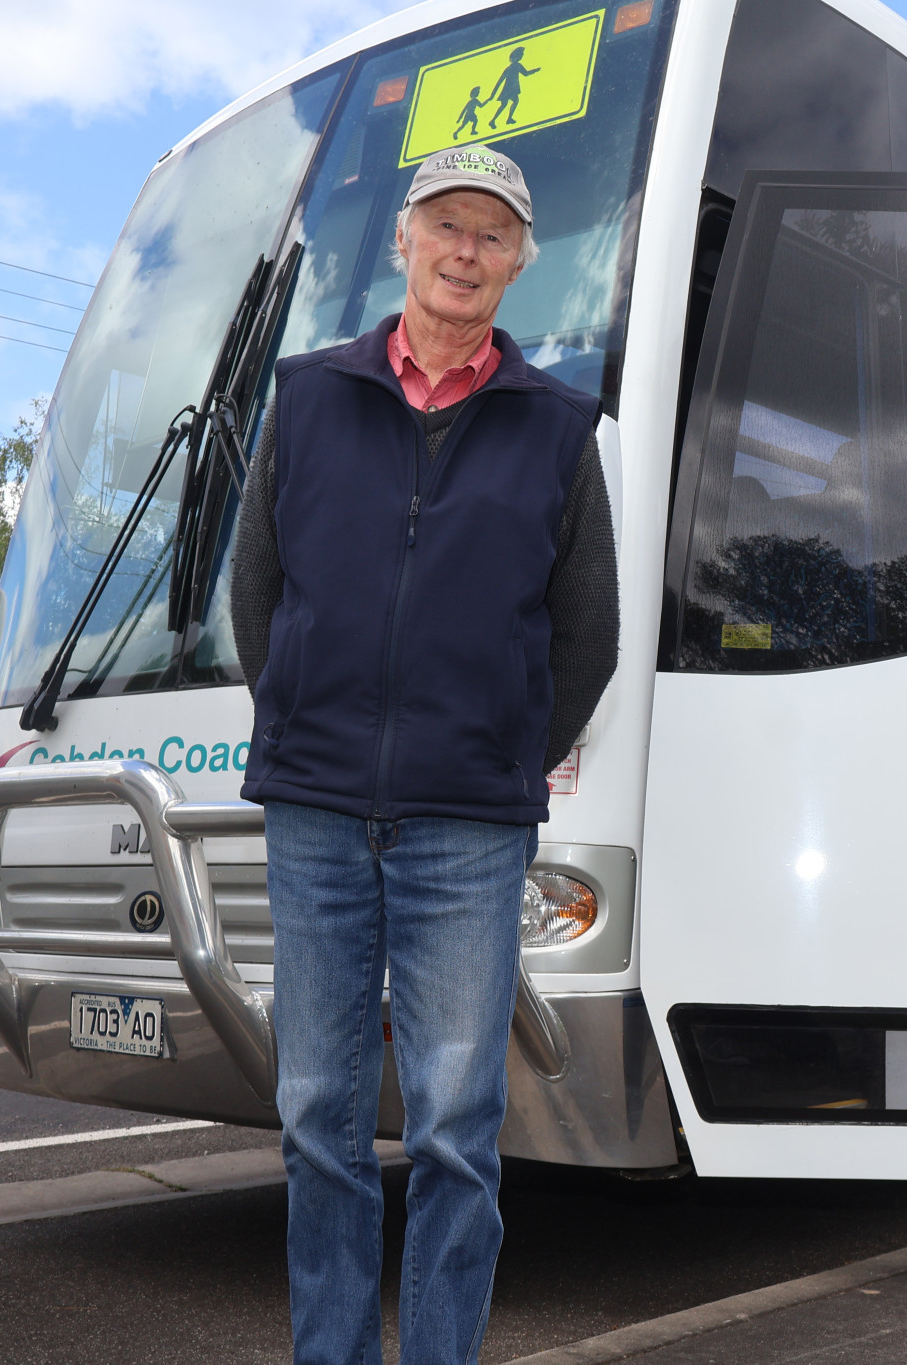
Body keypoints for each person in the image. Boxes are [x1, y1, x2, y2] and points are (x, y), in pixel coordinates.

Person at [230, 146, 618, 1364]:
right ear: (402, 240)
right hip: (316, 815)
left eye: (492, 235)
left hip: (469, 823)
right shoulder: (306, 395)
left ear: (521, 264)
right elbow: (257, 598)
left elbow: (586, 633)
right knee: (315, 1118)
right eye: (445, 225)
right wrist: (308, 720)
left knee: (457, 1123)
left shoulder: (557, 427)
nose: (465, 251)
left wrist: (506, 757)